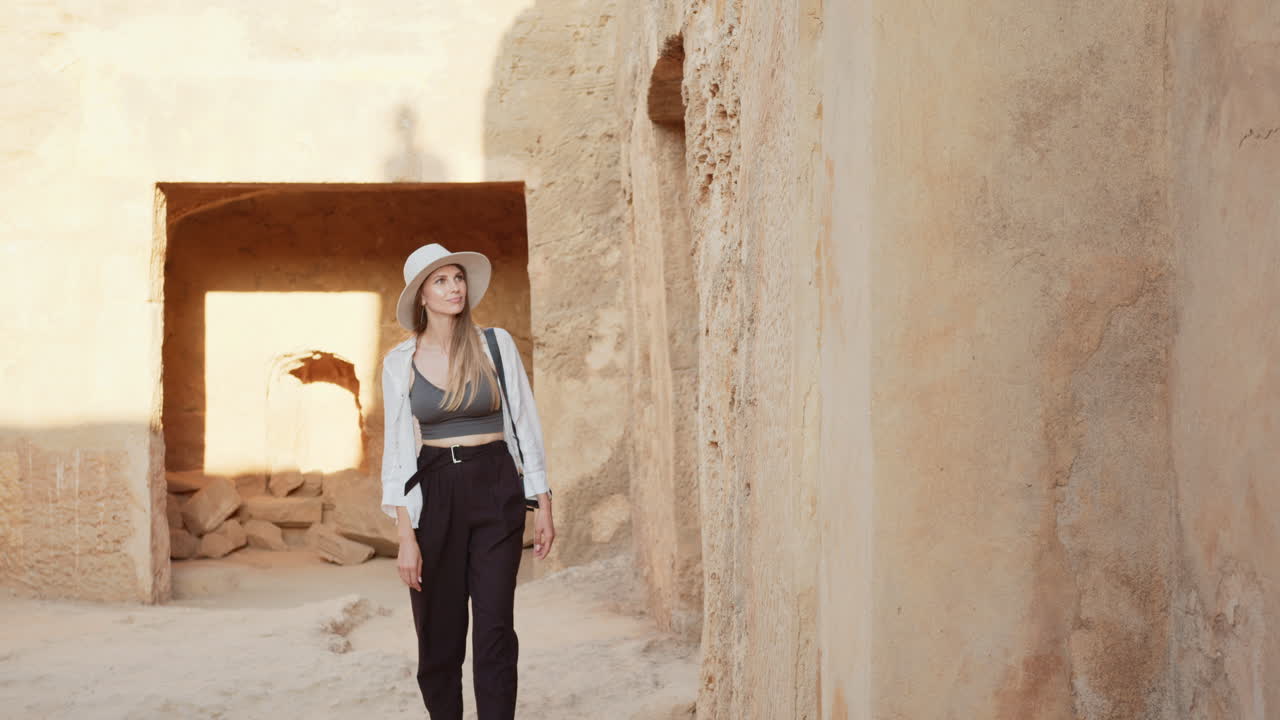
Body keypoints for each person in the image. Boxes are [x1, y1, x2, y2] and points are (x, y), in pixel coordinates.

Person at [379, 243, 555, 720]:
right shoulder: (400, 361)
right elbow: (396, 453)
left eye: (457, 278)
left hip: (496, 485)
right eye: (441, 281)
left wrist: (542, 501)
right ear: (421, 296)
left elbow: (524, 419)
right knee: (438, 630)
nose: (454, 287)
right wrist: (405, 537)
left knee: (496, 626)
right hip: (435, 490)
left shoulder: (495, 344)